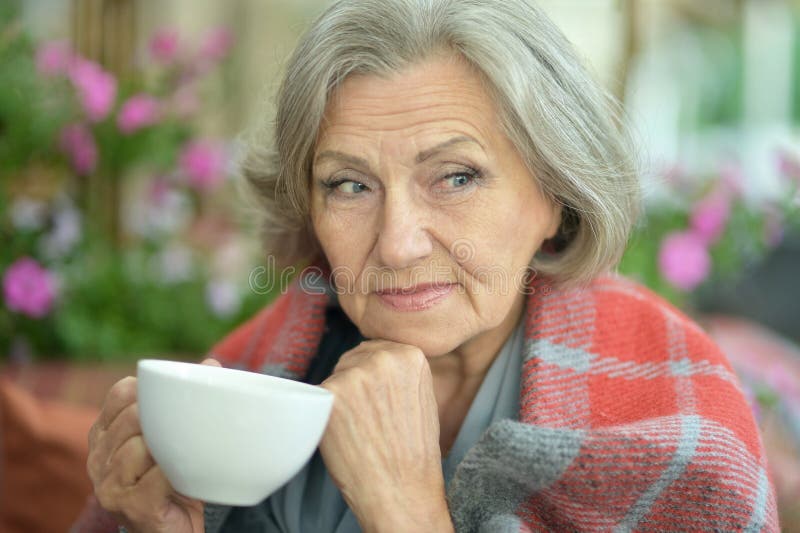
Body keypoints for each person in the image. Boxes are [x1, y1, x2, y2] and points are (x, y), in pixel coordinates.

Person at [75, 0, 780, 531]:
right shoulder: (257, 375)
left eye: (456, 177)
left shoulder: (683, 436)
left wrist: (405, 507)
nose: (398, 243)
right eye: (349, 184)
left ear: (556, 200)